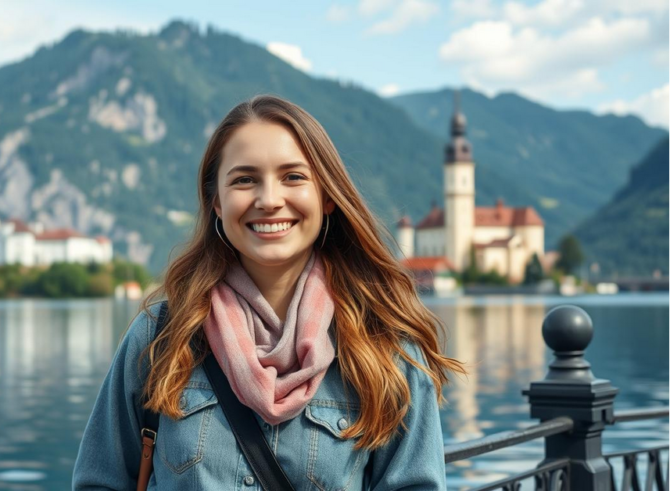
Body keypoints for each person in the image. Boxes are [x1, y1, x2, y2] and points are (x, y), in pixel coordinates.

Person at [73, 95, 466, 490]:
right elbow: (99, 482)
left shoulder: (385, 348)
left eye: (293, 177)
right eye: (244, 180)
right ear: (216, 202)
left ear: (326, 196)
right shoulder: (158, 337)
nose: (269, 200)